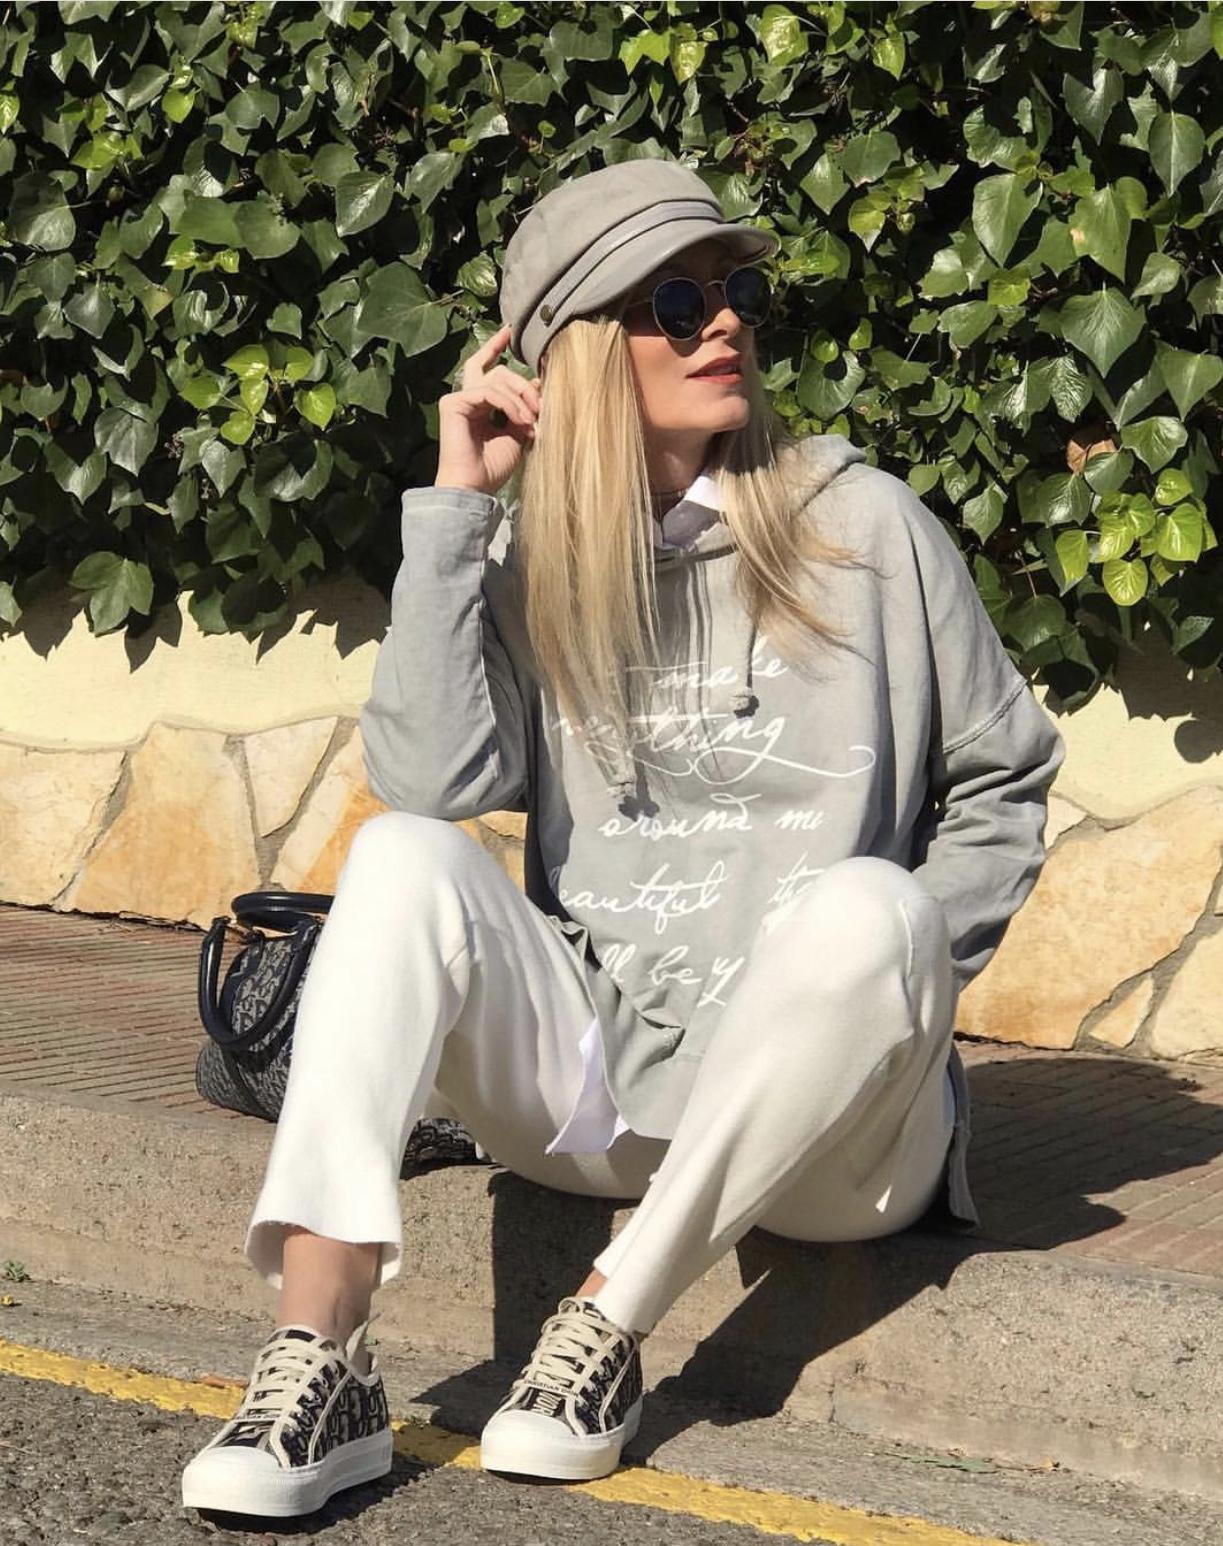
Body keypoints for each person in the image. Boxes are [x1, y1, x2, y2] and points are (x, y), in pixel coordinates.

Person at [181, 159, 1065, 1516]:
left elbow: (1003, 777)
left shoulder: (861, 525)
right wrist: (457, 511)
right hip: (600, 1095)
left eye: (737, 291)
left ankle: (605, 1320)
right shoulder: (537, 561)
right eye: (679, 302)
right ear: (585, 352)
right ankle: (323, 1354)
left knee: (872, 908)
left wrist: (900, 995)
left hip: (827, 1150)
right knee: (400, 858)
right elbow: (432, 779)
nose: (729, 323)